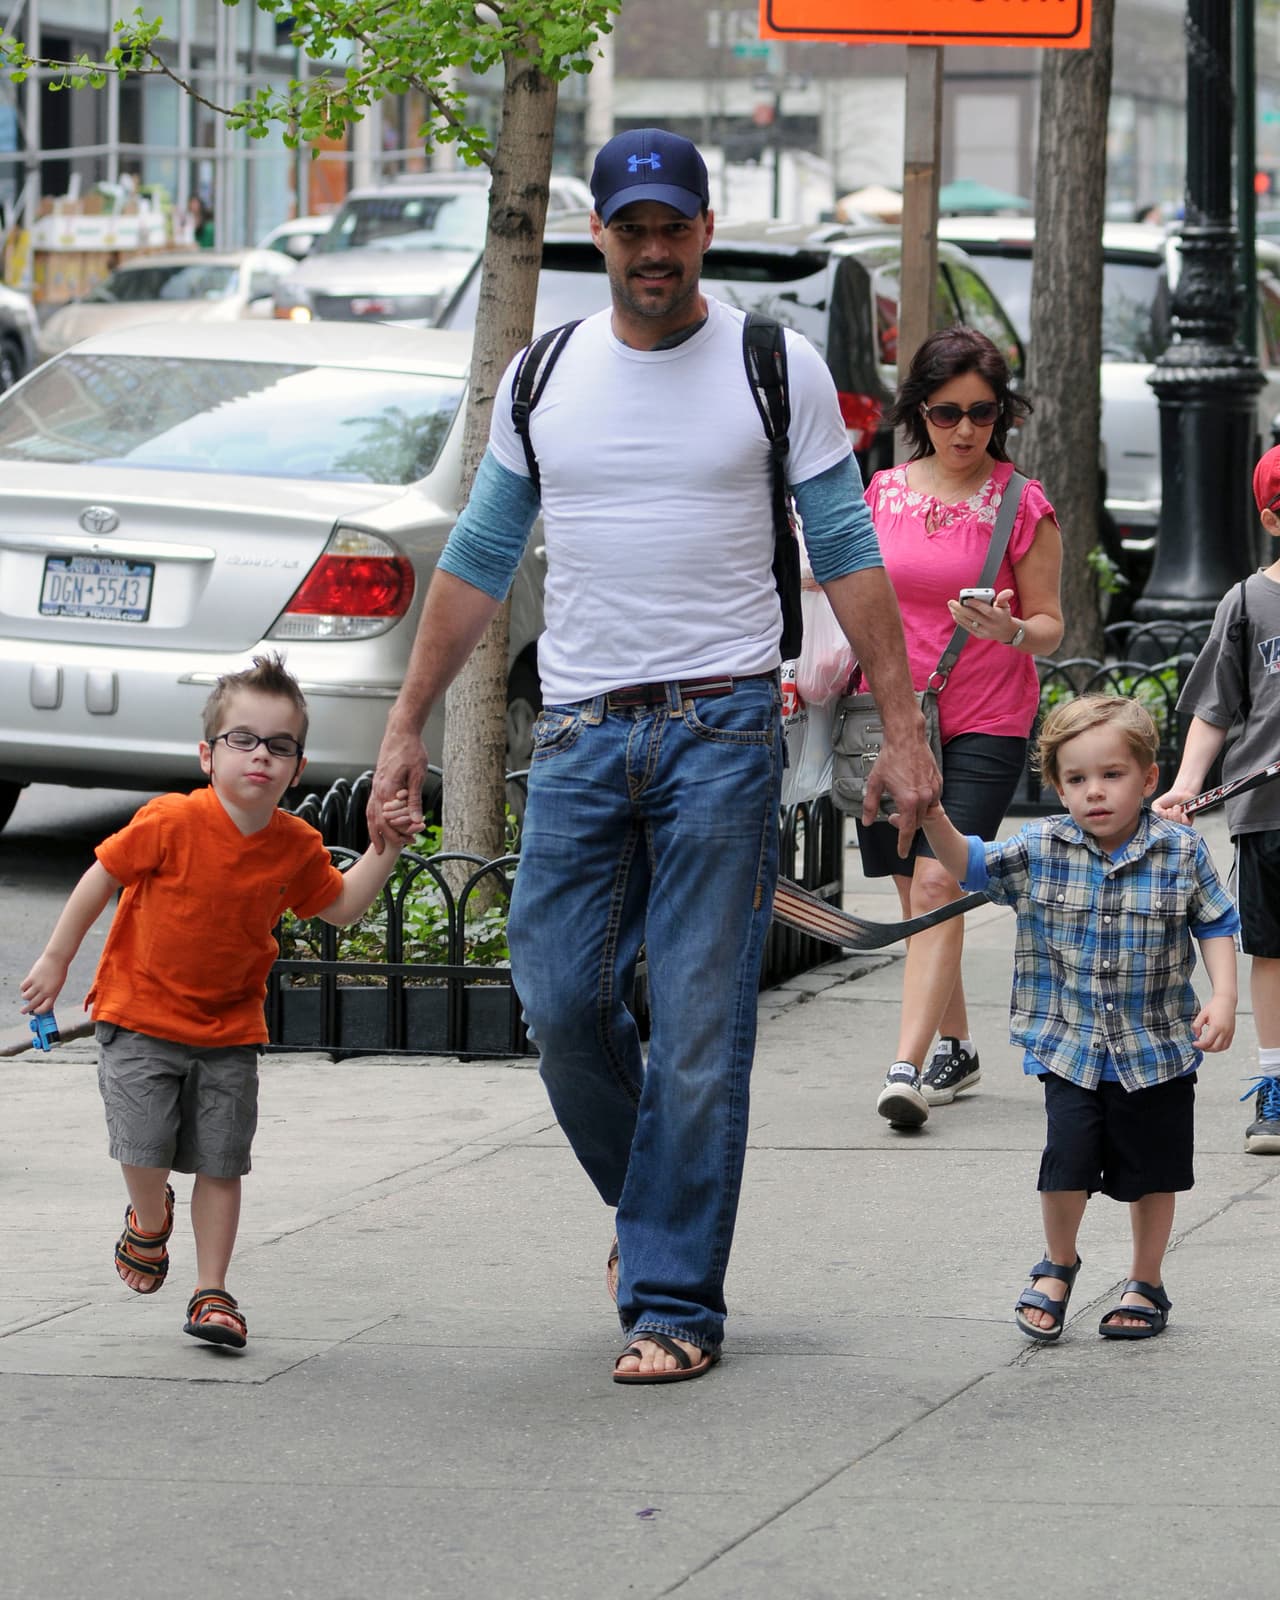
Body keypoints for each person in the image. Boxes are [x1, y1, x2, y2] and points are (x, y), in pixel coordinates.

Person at [366, 127, 939, 1384]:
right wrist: (404, 724)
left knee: (694, 1023)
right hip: (575, 732)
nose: (654, 252)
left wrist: (902, 728)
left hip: (721, 730)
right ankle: (652, 1217)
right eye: (631, 231)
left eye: (673, 228)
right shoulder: (543, 372)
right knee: (560, 1003)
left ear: (702, 229)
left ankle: (673, 1295)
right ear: (599, 236)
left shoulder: (766, 363)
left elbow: (846, 550)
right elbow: (476, 561)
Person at [20, 654, 417, 1350]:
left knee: (222, 1163)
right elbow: (99, 877)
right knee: (141, 1146)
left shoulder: (295, 845)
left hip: (230, 1030)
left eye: (279, 745)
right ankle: (149, 1220)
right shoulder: (169, 820)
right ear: (209, 754)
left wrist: (383, 846)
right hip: (137, 1016)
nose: (260, 755)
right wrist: (56, 959)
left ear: (297, 769)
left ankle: (213, 1291)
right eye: (243, 739)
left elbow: (344, 908)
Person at [914, 695, 1238, 1341]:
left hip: (1157, 1048)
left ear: (1148, 780)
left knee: (1153, 1172)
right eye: (1077, 779)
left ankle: (1146, 1280)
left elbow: (1217, 922)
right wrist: (931, 815)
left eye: (1112, 775)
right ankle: (1058, 1263)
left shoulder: (1180, 851)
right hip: (1069, 1044)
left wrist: (1224, 996)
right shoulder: (1040, 847)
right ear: (1058, 787)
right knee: (1065, 1161)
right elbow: (968, 864)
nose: (1095, 792)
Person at [858, 327, 1064, 1132]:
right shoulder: (881, 494)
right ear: (920, 411)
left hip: (985, 715)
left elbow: (1053, 625)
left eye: (983, 412)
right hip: (890, 717)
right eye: (947, 413)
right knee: (913, 891)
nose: (966, 430)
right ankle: (958, 1047)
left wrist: (1011, 632)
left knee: (944, 882)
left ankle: (906, 1067)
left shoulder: (1022, 502)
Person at [1153, 442, 1280, 1155]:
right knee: (1272, 951)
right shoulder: (1246, 603)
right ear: (1272, 517)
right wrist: (1186, 786)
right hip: (1267, 813)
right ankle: (1274, 1085)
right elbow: (1215, 710)